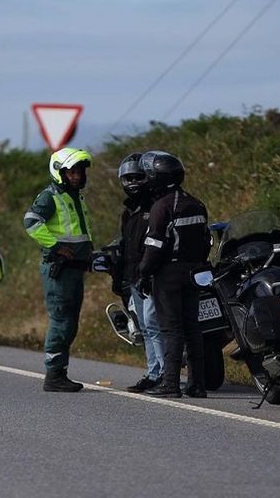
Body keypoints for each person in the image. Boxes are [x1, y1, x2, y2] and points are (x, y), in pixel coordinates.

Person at [136, 151, 211, 398]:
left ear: (156, 178)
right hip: (195, 272)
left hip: (168, 274)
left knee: (171, 329)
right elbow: (206, 240)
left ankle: (170, 384)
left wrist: (143, 272)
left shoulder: (162, 207)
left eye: (148, 175)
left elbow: (155, 246)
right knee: (193, 327)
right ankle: (197, 384)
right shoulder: (196, 203)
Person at [23, 147, 95, 392]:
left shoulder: (75, 196)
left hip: (75, 269)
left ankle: (59, 372)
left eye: (80, 171)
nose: (77, 176)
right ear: (59, 172)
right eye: (72, 172)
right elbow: (31, 222)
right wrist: (54, 247)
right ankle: (54, 375)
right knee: (62, 321)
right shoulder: (50, 196)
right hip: (60, 270)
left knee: (70, 322)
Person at [111, 153, 165, 393]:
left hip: (152, 277)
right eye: (128, 178)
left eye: (138, 177)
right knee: (144, 328)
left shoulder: (155, 207)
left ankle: (161, 373)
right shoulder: (128, 212)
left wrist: (148, 272)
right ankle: (153, 372)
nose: (133, 182)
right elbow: (126, 247)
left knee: (154, 326)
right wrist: (119, 277)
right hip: (134, 278)